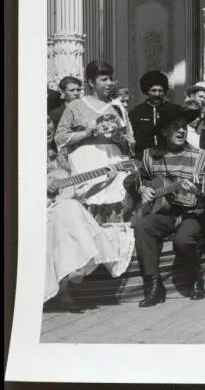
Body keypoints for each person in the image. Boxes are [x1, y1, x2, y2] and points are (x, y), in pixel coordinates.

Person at [128, 105, 205, 307]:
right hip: (163, 213)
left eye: (184, 127)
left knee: (182, 240)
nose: (181, 131)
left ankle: (195, 277)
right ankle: (154, 287)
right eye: (175, 126)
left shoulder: (201, 157)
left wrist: (200, 191)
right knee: (143, 226)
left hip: (192, 214)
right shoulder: (150, 155)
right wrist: (142, 189)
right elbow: (131, 180)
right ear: (163, 131)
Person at [45, 115, 135, 311]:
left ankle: (70, 277)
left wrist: (106, 181)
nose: (47, 127)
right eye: (41, 123)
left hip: (61, 208)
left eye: (49, 122)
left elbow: (79, 192)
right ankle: (70, 278)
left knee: (72, 207)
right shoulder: (21, 152)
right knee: (70, 210)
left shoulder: (62, 157)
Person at [54, 60, 135, 223]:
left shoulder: (117, 108)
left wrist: (119, 137)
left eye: (110, 79)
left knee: (113, 206)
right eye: (104, 79)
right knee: (88, 208)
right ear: (91, 82)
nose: (109, 83)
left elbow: (129, 143)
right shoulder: (75, 106)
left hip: (113, 160)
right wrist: (86, 132)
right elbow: (60, 137)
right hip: (86, 161)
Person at [128, 70, 181, 159]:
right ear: (147, 91)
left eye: (160, 91)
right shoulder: (136, 112)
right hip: (143, 159)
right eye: (153, 90)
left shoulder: (175, 110)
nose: (157, 94)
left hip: (170, 159)